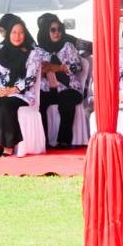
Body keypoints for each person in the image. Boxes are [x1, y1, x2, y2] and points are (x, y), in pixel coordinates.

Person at [0, 19, 41, 156]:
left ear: (25, 34)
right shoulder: (1, 51)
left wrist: (12, 89)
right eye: (14, 32)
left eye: (21, 33)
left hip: (22, 93)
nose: (17, 36)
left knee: (5, 106)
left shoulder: (32, 53)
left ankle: (8, 145)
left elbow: (30, 78)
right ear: (8, 34)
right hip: (1, 90)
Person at [36, 15, 87, 149]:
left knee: (66, 101)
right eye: (53, 30)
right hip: (48, 87)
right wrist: (43, 70)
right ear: (45, 31)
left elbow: (78, 67)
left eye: (59, 29)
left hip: (69, 86)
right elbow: (33, 71)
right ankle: (44, 141)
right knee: (39, 103)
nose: (57, 33)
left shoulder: (68, 46)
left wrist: (60, 68)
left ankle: (64, 141)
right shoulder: (38, 50)